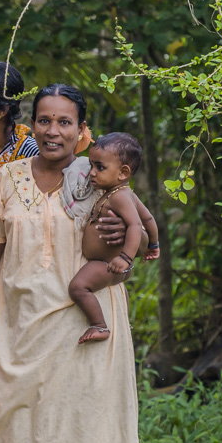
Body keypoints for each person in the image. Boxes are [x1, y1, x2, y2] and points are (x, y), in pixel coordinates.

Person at [0, 84, 147, 443]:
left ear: (82, 130)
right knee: (15, 422)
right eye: (44, 120)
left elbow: (138, 237)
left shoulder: (99, 178)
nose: (53, 131)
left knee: (83, 421)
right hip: (20, 317)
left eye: (65, 122)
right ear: (31, 124)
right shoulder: (7, 178)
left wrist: (127, 238)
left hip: (85, 318)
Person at [69, 132, 160, 344]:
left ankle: (99, 325)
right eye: (91, 165)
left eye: (99, 167)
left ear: (123, 172)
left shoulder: (119, 196)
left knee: (78, 287)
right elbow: (148, 219)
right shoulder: (124, 193)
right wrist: (153, 245)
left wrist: (126, 258)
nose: (92, 173)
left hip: (107, 264)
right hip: (109, 263)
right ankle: (118, 321)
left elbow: (136, 225)